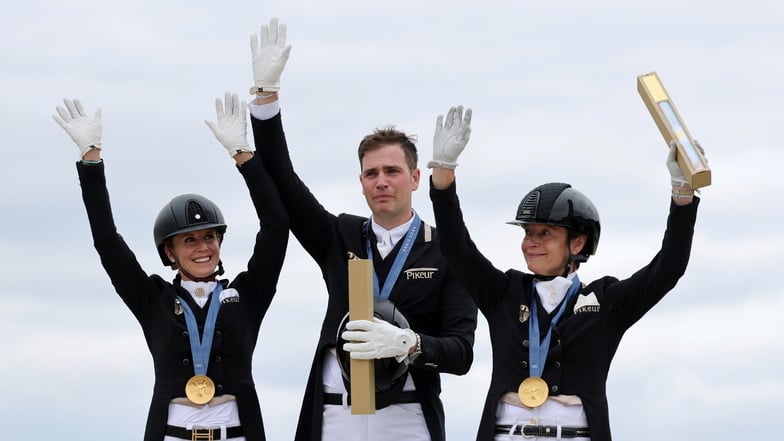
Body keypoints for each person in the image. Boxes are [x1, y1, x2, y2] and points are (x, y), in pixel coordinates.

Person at [242, 17, 478, 441]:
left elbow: (462, 354)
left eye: (392, 171)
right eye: (371, 173)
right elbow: (284, 181)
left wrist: (410, 343)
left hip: (407, 418)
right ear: (361, 182)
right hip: (336, 416)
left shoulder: (447, 252)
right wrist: (266, 101)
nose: (381, 181)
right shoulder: (341, 237)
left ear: (415, 178)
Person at [427, 106, 701, 440]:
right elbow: (457, 248)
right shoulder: (503, 292)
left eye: (545, 234)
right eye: (528, 233)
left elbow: (668, 269)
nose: (531, 243)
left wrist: (682, 195)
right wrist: (444, 175)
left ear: (578, 243)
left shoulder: (607, 302)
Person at [53, 93, 289, 441]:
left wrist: (244, 158)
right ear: (170, 252)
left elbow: (276, 226)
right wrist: (91, 162)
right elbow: (107, 241)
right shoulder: (152, 299)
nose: (203, 248)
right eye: (189, 240)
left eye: (209, 237)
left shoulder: (248, 293)